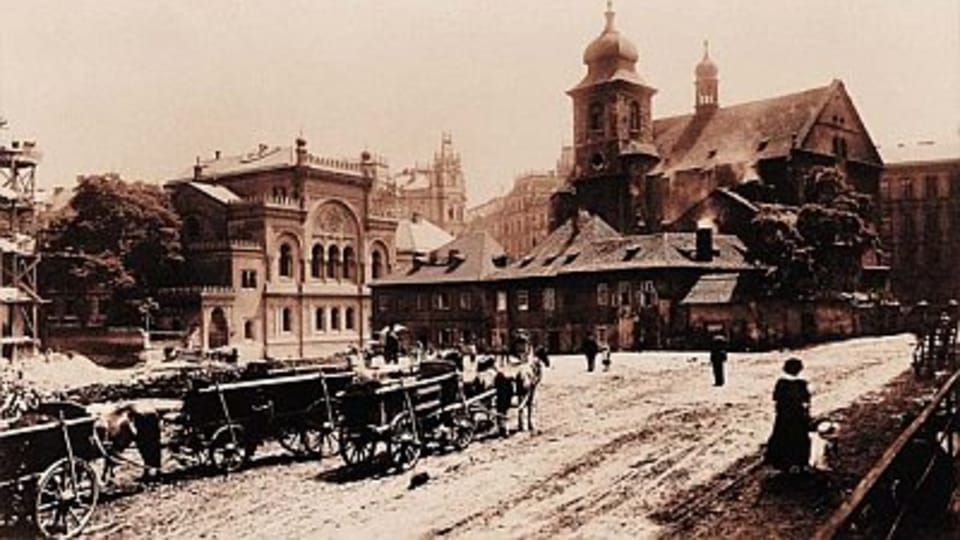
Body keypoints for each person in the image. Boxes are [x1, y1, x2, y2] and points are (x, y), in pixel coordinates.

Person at [765, 357, 812, 472]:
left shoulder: (781, 383)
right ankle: (799, 462)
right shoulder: (802, 383)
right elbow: (806, 400)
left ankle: (782, 461)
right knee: (799, 438)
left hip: (784, 416)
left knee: (782, 437)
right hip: (798, 416)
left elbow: (776, 398)